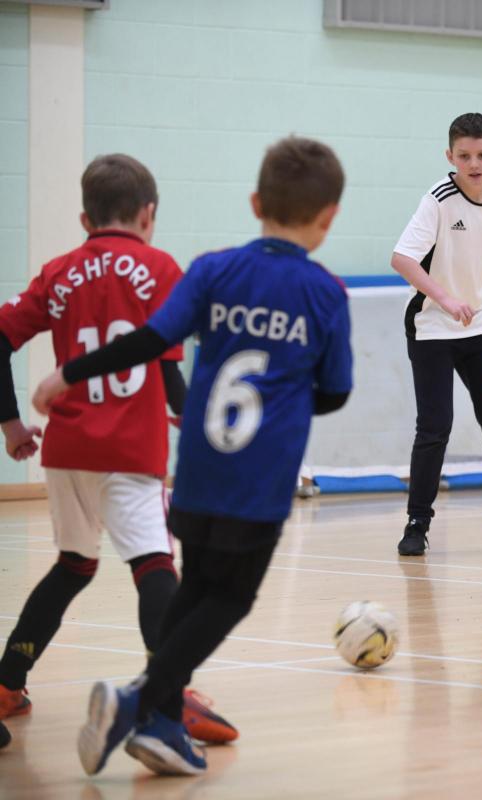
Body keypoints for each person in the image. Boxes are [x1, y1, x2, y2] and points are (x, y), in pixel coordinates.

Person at [33, 136, 353, 776]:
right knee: (230, 599)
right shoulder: (324, 292)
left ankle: (160, 727)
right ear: (330, 216)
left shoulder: (211, 270)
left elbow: (150, 340)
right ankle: (136, 702)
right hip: (258, 482)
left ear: (256, 202)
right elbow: (336, 392)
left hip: (198, 470)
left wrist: (69, 373)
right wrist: (289, 398)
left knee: (196, 590)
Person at [0, 154, 235, 748]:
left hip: (65, 451)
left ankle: (6, 682)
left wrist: (11, 425)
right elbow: (168, 360)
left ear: (86, 218)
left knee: (74, 564)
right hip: (129, 450)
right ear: (148, 214)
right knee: (154, 564)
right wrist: (190, 419)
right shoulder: (159, 267)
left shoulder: (58, 272)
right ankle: (168, 696)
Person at [390, 112, 482, 557]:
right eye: (464, 156)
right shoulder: (439, 199)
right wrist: (445, 299)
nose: (474, 163)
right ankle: (417, 523)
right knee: (435, 427)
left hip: (480, 327)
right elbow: (402, 258)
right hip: (431, 328)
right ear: (450, 157)